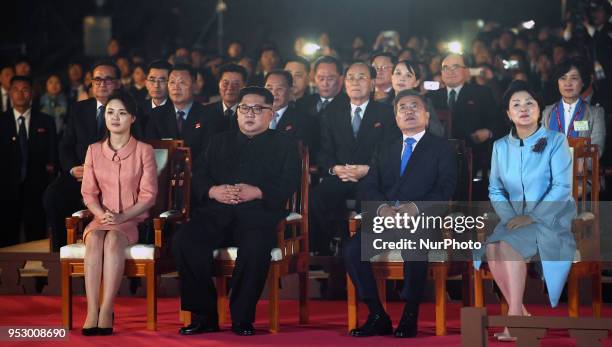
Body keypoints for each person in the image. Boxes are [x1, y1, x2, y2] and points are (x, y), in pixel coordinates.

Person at [173, 86, 299, 336]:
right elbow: (198, 176)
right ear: (237, 112)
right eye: (244, 108)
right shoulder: (219, 141)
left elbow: (289, 181)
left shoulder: (284, 144)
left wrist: (258, 191)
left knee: (256, 247)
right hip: (216, 212)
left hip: (257, 215)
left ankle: (242, 318)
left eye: (257, 109)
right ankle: (204, 315)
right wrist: (212, 191)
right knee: (184, 240)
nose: (249, 114)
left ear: (270, 113)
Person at [344, 90, 456, 338]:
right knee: (352, 250)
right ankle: (377, 314)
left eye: (414, 106)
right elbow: (368, 185)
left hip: (421, 221)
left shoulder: (442, 148)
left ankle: (410, 313)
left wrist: (414, 208)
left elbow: (445, 190)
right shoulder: (385, 148)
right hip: (385, 220)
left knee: (414, 244)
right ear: (396, 118)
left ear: (426, 115)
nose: (408, 111)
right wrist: (383, 208)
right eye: (402, 107)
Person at [474, 80, 576, 341]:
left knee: (506, 247)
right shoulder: (500, 146)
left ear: (540, 110)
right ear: (508, 114)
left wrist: (532, 216)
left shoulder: (556, 140)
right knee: (493, 248)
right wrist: (511, 217)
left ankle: (515, 320)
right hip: (514, 220)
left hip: (550, 217)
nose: (523, 108)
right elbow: (495, 190)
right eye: (516, 104)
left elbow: (562, 187)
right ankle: (520, 316)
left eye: (529, 103)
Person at [79, 91, 157, 336]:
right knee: (94, 239)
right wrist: (101, 214)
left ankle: (106, 310)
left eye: (122, 113)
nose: (115, 118)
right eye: (110, 112)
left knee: (112, 239)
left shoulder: (144, 150)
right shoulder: (93, 150)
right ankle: (92, 311)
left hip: (131, 220)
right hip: (99, 218)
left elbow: (149, 196)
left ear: (132, 118)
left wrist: (122, 217)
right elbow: (88, 193)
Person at [309, 62, 398, 255]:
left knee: (369, 199)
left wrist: (367, 169)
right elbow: (324, 151)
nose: (355, 82)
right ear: (344, 83)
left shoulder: (386, 114)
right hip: (340, 175)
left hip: (371, 177)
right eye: (350, 78)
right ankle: (326, 251)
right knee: (316, 198)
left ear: (373, 83)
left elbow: (390, 152)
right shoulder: (331, 114)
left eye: (361, 78)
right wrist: (335, 169)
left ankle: (365, 252)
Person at [43, 60, 122, 252]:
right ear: (91, 83)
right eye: (97, 80)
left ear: (119, 83)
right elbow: (66, 145)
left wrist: (94, 172)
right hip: (79, 176)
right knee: (53, 195)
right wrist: (72, 169)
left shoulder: (127, 110)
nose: (102, 84)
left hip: (111, 180)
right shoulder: (79, 109)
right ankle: (61, 252)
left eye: (108, 79)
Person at [0, 76, 57, 247]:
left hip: (36, 188)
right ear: (10, 93)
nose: (20, 93)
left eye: (24, 89)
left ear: (31, 93)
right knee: (6, 237)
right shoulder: (1, 121)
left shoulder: (46, 121)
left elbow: (53, 155)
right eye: (16, 89)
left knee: (36, 236)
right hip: (6, 189)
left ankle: (39, 273)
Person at [145, 64, 224, 161]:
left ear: (195, 86)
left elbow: (209, 155)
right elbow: (150, 150)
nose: (176, 87)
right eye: (172, 82)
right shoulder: (157, 114)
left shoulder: (209, 115)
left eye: (182, 83)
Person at [542, 57, 606, 157]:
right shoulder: (547, 113)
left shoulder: (596, 113)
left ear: (583, 82)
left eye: (574, 78)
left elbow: (596, 151)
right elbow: (541, 148)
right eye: (563, 78)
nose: (568, 83)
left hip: (580, 171)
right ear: (557, 82)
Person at [264, 69, 316, 150]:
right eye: (269, 88)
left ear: (290, 91)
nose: (274, 93)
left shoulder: (303, 121)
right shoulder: (255, 115)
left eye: (279, 89)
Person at [391, 60, 445, 137]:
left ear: (417, 82)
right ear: (392, 77)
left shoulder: (424, 102)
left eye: (408, 75)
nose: (402, 78)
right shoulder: (383, 103)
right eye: (398, 73)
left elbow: (438, 132)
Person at [200, 63, 247, 131]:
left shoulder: (249, 113)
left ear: (244, 87)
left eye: (236, 84)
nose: (230, 88)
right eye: (226, 83)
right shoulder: (206, 112)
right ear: (219, 84)